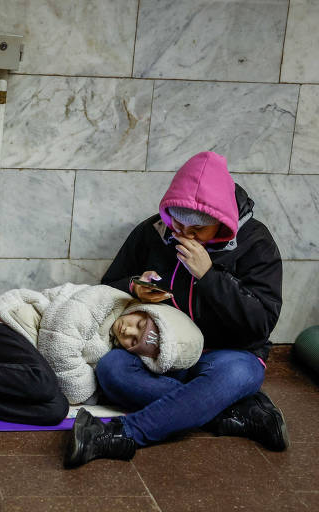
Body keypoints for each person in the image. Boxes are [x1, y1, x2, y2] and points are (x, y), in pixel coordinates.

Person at [64, 151, 288, 468]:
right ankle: (235, 410)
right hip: (164, 350)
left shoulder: (256, 242)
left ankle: (120, 434)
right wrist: (133, 286)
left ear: (222, 222)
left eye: (198, 230)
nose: (184, 234)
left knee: (236, 374)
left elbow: (261, 322)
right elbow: (106, 286)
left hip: (229, 355)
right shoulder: (155, 231)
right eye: (178, 223)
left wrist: (209, 276)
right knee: (112, 369)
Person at [0, 282, 202, 425]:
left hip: (21, 366)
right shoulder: (105, 299)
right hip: (4, 329)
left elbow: (69, 393)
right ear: (144, 309)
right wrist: (86, 390)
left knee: (54, 410)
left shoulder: (115, 342)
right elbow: (58, 344)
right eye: (137, 324)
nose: (128, 332)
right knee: (45, 385)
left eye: (135, 342)